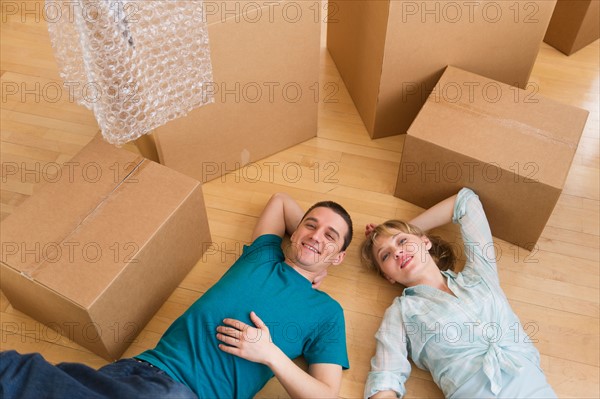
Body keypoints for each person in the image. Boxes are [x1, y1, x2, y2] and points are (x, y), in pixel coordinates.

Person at [0, 192, 353, 399]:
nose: (317, 233)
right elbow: (279, 201)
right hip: (134, 369)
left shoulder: (327, 312)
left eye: (331, 236)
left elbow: (325, 395)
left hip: (186, 393)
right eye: (310, 224)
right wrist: (309, 249)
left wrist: (271, 354)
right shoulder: (264, 254)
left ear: (340, 258)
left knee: (18, 374)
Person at [361, 188, 556, 399]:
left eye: (401, 241)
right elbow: (385, 378)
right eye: (386, 255)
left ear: (425, 242)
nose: (398, 252)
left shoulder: (480, 275)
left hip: (532, 385)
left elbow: (466, 202)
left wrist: (405, 229)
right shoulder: (402, 311)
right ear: (388, 276)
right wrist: (403, 236)